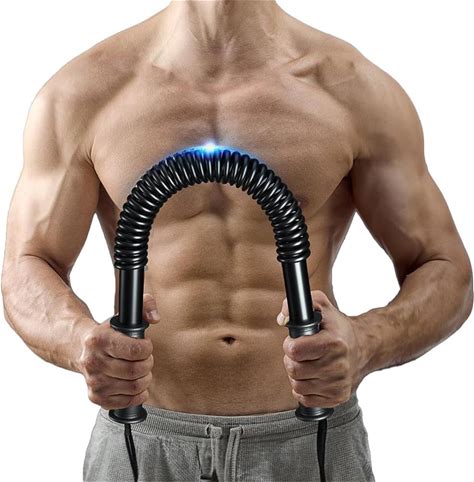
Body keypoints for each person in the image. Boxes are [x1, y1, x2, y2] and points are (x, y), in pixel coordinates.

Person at [2, 1, 472, 481]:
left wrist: (367, 343)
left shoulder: (353, 90)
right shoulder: (84, 92)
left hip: (308, 436)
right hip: (140, 435)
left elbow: (443, 266)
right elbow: (28, 262)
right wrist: (79, 341)